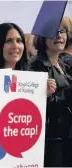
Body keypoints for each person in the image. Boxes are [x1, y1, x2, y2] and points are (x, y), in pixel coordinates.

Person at [0, 23, 56, 167]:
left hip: (19, 151)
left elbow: (30, 119)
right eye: (9, 41)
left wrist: (43, 95)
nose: (15, 46)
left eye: (19, 40)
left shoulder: (29, 77)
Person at [28, 18, 72, 167]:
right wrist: (46, 95)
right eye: (53, 32)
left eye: (62, 31)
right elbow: (31, 105)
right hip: (49, 140)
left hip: (66, 135)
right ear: (42, 36)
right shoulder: (35, 65)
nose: (59, 35)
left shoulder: (64, 65)